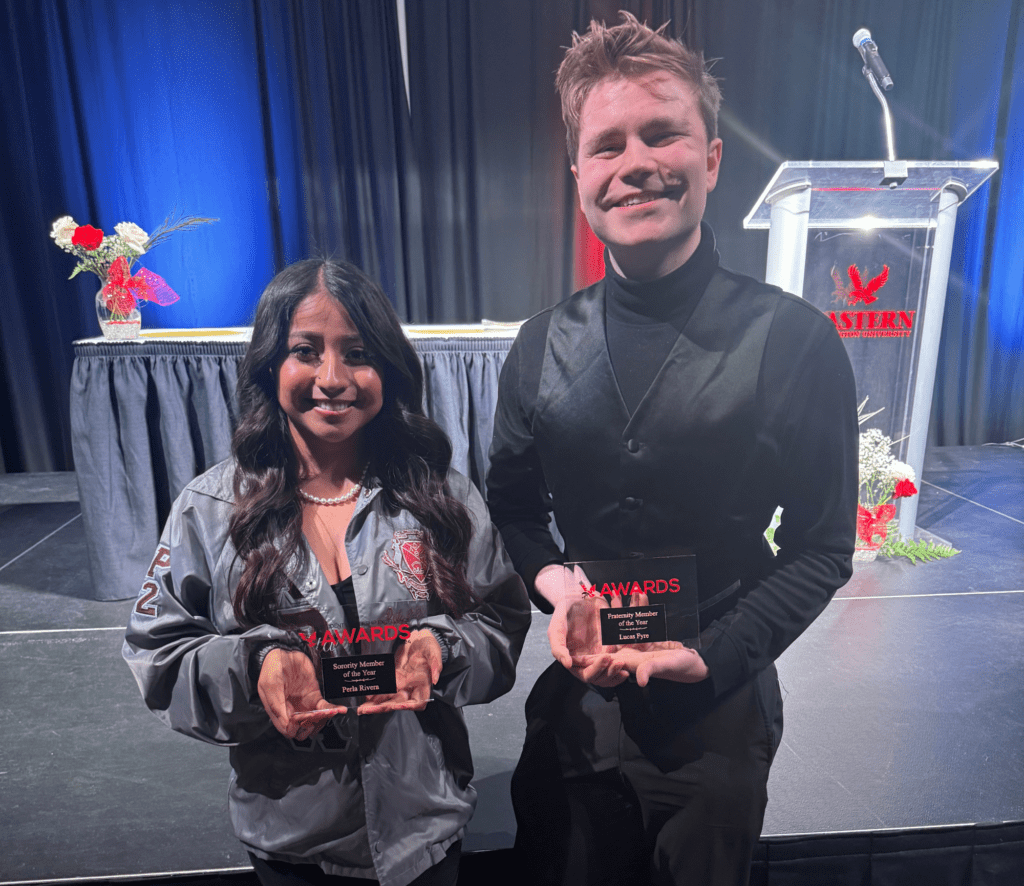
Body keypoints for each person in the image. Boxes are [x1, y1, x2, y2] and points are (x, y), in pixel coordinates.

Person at [486, 13, 858, 886]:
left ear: (713, 159)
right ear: (578, 175)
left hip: (718, 721)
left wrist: (714, 652)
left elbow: (821, 547)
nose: (636, 163)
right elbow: (510, 503)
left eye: (664, 133)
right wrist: (554, 581)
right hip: (575, 712)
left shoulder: (796, 341)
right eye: (607, 145)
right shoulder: (540, 344)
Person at [124, 259, 531, 886]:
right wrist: (253, 667)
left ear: (389, 369)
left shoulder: (440, 497)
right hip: (291, 840)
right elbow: (160, 655)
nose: (333, 378)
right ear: (270, 365)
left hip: (426, 830)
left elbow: (500, 619)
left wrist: (444, 649)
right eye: (305, 352)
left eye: (358, 353)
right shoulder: (208, 509)